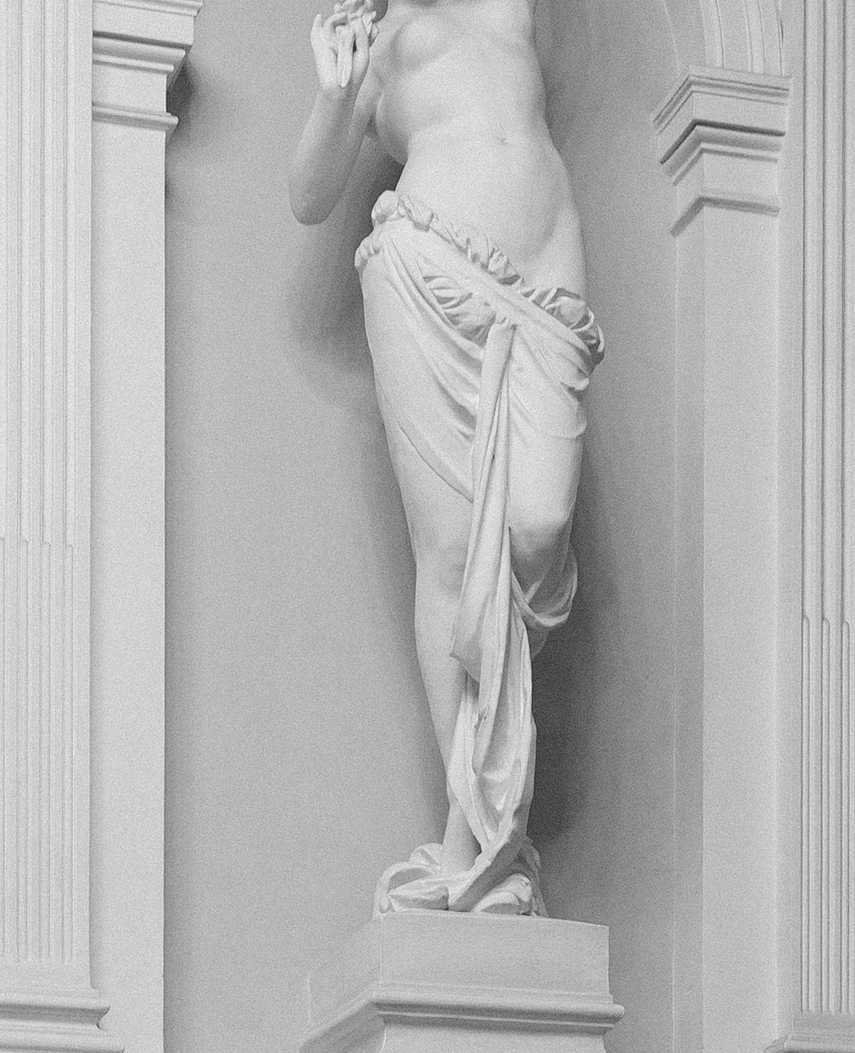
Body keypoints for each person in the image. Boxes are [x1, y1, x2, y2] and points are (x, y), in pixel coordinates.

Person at [290, 0, 601, 916]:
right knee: (454, 553)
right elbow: (309, 194)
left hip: (546, 277)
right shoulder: (371, 38)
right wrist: (334, 96)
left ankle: (485, 836)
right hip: (427, 269)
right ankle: (478, 844)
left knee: (536, 525)